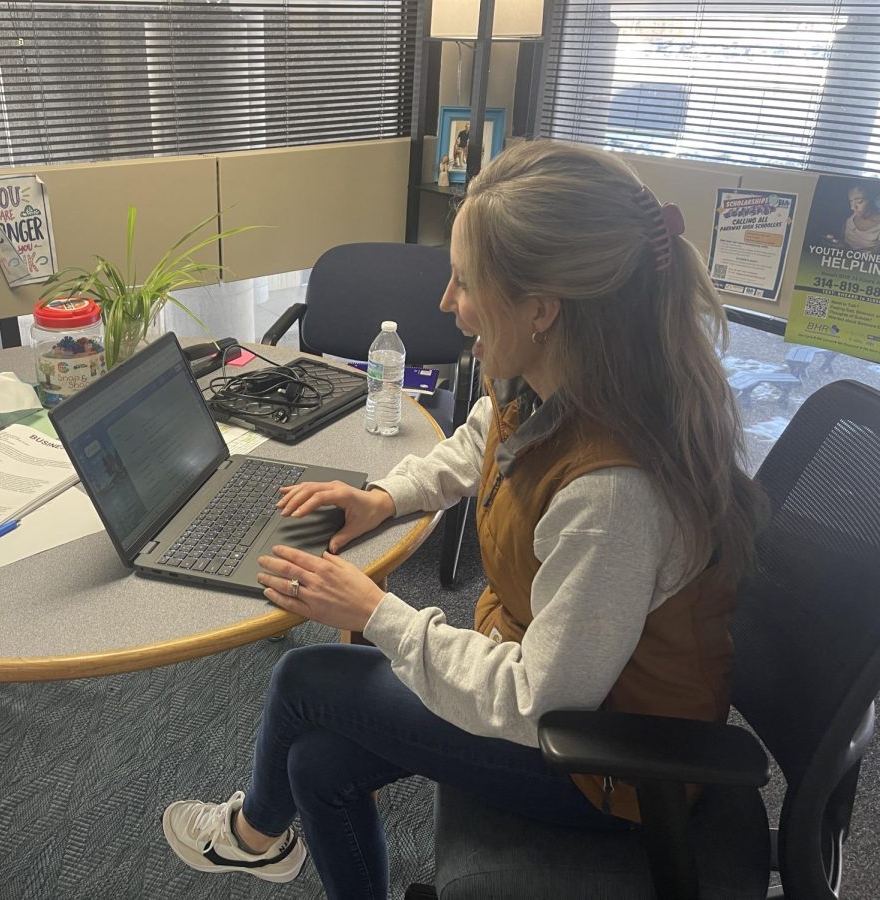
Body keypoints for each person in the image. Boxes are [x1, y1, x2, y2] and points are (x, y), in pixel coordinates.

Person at [160, 140, 766, 898]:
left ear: (541, 308)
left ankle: (253, 836)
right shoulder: (560, 379)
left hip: (604, 767)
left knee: (306, 675)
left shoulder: (613, 492)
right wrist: (385, 497)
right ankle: (266, 835)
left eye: (465, 281)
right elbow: (483, 437)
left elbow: (534, 702)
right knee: (318, 764)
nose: (447, 301)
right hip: (560, 687)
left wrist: (377, 612)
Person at [833, 183, 880, 251]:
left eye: (859, 201)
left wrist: (846, 249)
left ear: (874, 200)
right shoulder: (849, 218)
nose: (852, 207)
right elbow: (842, 241)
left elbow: (875, 258)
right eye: (851, 201)